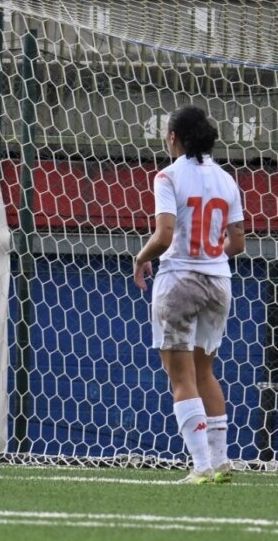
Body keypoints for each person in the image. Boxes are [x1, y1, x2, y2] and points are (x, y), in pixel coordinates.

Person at [133, 105, 245, 485]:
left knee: (180, 377)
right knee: (205, 371)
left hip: (179, 279)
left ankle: (200, 467)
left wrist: (141, 257)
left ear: (173, 138)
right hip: (219, 283)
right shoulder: (228, 181)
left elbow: (164, 235)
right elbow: (238, 243)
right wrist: (210, 255)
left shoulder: (167, 176)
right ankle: (221, 461)